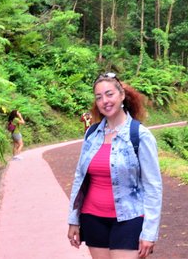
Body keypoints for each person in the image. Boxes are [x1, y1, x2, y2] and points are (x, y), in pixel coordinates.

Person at [67, 72, 163, 259]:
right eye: (99, 97)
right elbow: (80, 177)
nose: (105, 101)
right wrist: (73, 219)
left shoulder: (140, 135)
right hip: (93, 217)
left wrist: (149, 233)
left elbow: (153, 186)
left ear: (122, 96)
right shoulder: (92, 134)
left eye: (109, 94)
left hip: (129, 218)